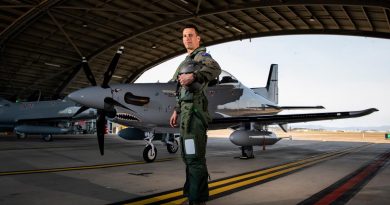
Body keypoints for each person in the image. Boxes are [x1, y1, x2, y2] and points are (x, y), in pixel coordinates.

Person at [169, 24, 221, 205]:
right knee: (187, 157)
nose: (187, 38)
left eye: (191, 35)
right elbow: (179, 88)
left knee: (194, 158)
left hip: (194, 115)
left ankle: (197, 200)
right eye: (184, 36)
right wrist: (176, 110)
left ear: (198, 38)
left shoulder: (202, 57)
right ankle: (192, 194)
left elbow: (215, 68)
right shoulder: (185, 62)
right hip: (185, 115)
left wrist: (195, 76)